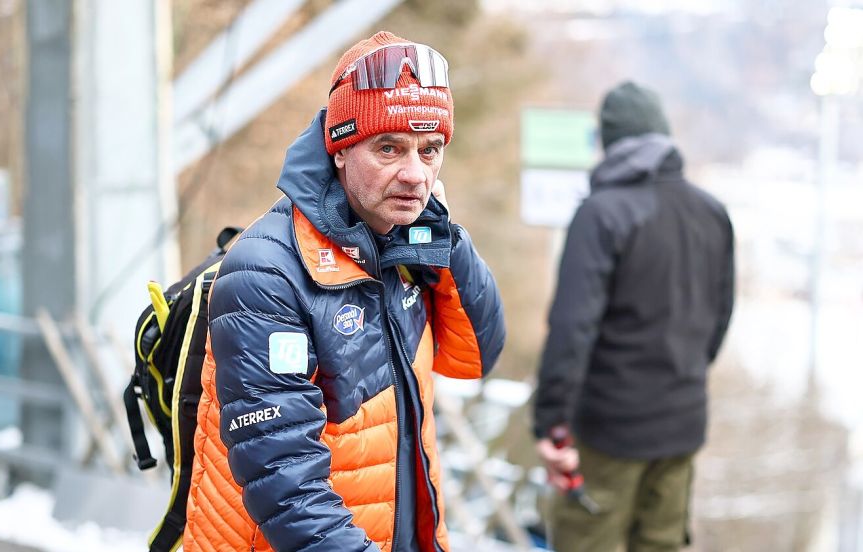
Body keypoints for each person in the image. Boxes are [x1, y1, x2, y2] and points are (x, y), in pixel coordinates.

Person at [183, 31, 506, 552]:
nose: (415, 175)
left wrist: (445, 235)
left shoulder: (406, 245)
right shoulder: (266, 272)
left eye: (430, 151)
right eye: (389, 148)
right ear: (339, 148)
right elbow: (285, 484)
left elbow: (477, 353)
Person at [532, 81, 735, 552]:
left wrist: (551, 424)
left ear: (609, 143)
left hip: (609, 430)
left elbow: (571, 328)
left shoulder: (601, 214)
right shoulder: (712, 212)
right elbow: (719, 318)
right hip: (683, 422)